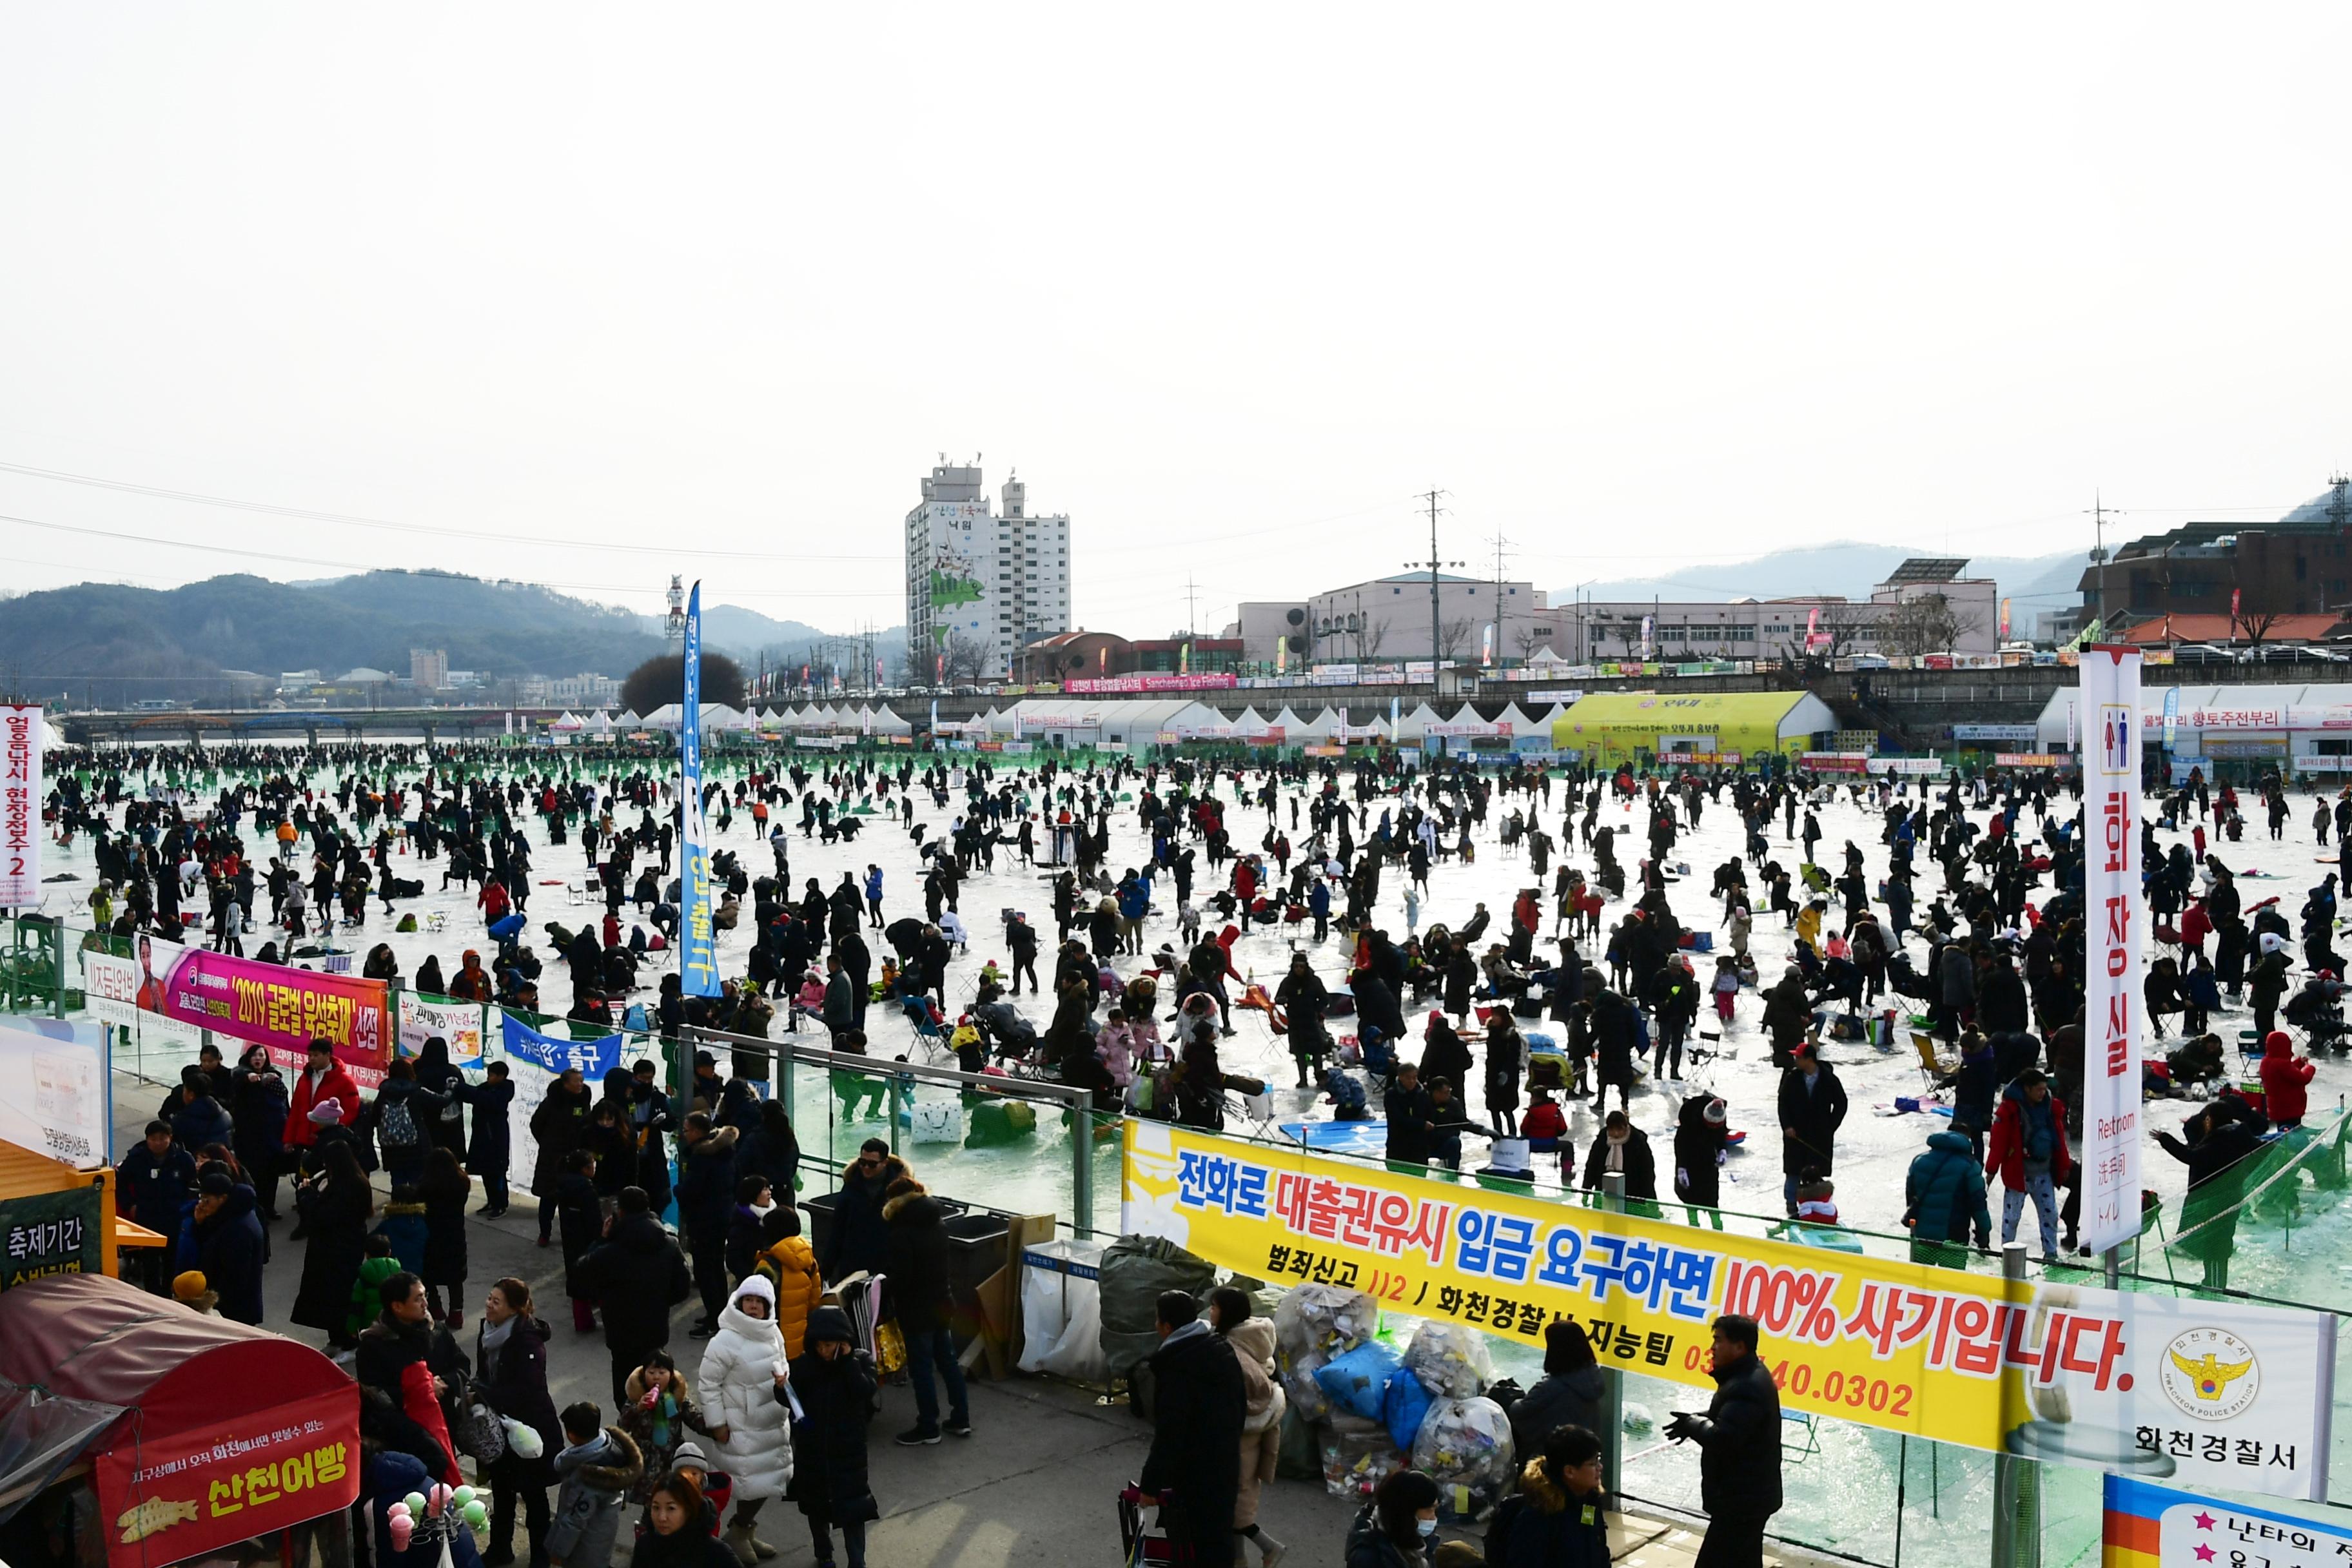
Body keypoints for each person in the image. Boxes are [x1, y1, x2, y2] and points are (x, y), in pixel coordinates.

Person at [1663, 1315, 1782, 1568]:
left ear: (1739, 1346)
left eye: (1718, 1340)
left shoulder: (1746, 1386)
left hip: (1741, 1502)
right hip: (1749, 1497)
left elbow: (1723, 1438)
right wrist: (1695, 1420)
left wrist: (1692, 1424)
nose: (1712, 1348)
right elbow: (1731, 1420)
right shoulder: (1748, 1376)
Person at [1137, 1289, 1245, 1568]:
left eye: (1157, 1320)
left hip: (1195, 1477)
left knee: (1192, 1548)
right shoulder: (1220, 1349)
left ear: (1168, 1327)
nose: (1155, 1326)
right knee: (1217, 1543)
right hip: (1225, 1467)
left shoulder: (1177, 1367)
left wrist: (1150, 1485)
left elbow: (1171, 1435)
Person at [696, 1275, 794, 1563]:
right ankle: (737, 1533)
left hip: (772, 1420)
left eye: (758, 1302)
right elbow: (708, 1384)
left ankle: (743, 1531)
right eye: (748, 1301)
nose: (753, 1307)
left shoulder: (774, 1333)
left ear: (768, 1307)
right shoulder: (726, 1339)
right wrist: (717, 1425)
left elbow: (784, 1364)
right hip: (742, 1426)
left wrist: (783, 1382)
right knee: (750, 1483)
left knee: (768, 1481)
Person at [576, 1186, 694, 1406]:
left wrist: (601, 1240)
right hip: (656, 1327)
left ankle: (630, 1427)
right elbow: (682, 1287)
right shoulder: (669, 1244)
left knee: (626, 1386)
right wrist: (660, 1301)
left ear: (620, 1212)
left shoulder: (610, 1250)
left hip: (620, 1329)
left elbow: (580, 1276)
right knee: (657, 1378)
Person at [475, 1277, 563, 1568]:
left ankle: (540, 1553)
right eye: (489, 1298)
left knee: (533, 1493)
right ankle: (501, 1548)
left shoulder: (527, 1341)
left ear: (514, 1309)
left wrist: (484, 1392)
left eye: (496, 1301)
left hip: (529, 1429)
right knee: (502, 1490)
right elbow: (484, 1373)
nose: (489, 1304)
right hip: (499, 1426)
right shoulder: (487, 1331)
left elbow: (527, 1390)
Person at [879, 1175, 972, 1445]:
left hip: (917, 1309)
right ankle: (960, 1418)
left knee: (921, 1369)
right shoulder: (938, 1223)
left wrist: (884, 1287)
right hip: (943, 1301)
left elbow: (904, 1275)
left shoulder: (901, 1232)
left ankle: (928, 1426)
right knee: (948, 1361)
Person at [786, 1305, 879, 1568]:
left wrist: (848, 1362)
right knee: (817, 1508)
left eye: (829, 1345)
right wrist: (781, 1387)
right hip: (813, 1450)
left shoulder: (860, 1362)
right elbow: (789, 1399)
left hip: (848, 1451)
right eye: (819, 1345)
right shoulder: (805, 1365)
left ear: (843, 1342)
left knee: (854, 1510)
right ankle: (823, 1552)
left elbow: (865, 1391)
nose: (824, 1351)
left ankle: (857, 1560)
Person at [356, 1271, 463, 1485]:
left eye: (425, 1296)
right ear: (397, 1306)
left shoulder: (436, 1330)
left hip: (443, 1427)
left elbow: (462, 1366)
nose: (425, 1303)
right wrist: (420, 1391)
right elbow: (373, 1395)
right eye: (418, 1299)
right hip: (406, 1441)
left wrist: (445, 1383)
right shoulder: (374, 1345)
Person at [1208, 1286, 1287, 1568]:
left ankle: (1269, 1548)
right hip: (1250, 1439)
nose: (1210, 1312)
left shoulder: (1233, 1352)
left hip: (1241, 1439)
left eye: (1215, 1307)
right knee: (1235, 1506)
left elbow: (1254, 1394)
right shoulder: (1253, 1340)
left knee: (1233, 1505)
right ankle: (1244, 1558)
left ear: (1227, 1313)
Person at [290, 1140, 374, 1343]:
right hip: (344, 1246)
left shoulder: (345, 1187)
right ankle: (339, 1339)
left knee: (335, 1297)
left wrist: (306, 1195)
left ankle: (346, 1341)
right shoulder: (355, 1181)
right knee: (337, 1296)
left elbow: (323, 1216)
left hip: (335, 1249)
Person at [1984, 1070, 2072, 1259]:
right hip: (2019, 1175)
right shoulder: (2010, 1111)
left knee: (2050, 1215)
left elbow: (2059, 1139)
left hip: (2044, 1172)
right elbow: (1998, 1143)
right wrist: (1991, 1170)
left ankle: (2050, 1253)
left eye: (2044, 1089)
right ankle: (2008, 1253)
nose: (2043, 1093)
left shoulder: (2050, 1108)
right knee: (2012, 1217)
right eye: (2039, 1090)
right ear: (2027, 1089)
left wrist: (2064, 1165)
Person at [1496, 1424, 1611, 1568]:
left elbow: (1600, 1552)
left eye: (1598, 1460)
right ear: (1569, 1472)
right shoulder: (1537, 1517)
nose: (1600, 1468)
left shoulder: (1588, 1500)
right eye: (1593, 1464)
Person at [547, 1403, 644, 1568]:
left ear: (572, 1435)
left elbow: (575, 1520)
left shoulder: (588, 1478)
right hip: (603, 1533)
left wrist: (558, 1552)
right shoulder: (611, 1448)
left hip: (585, 1547)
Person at [674, 1113, 742, 1338]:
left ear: (697, 1132)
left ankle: (715, 1318)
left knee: (706, 1270)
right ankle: (718, 1313)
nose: (683, 1135)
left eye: (686, 1130)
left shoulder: (702, 1158)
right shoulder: (725, 1151)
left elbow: (692, 1190)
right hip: (721, 1216)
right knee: (715, 1268)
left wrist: (679, 1191)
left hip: (705, 1220)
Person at [116, 1121, 196, 1294]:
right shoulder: (137, 1159)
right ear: (147, 1140)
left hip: (174, 1220)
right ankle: (152, 1295)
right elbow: (121, 1184)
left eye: (163, 1138)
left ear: (170, 1138)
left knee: (171, 1263)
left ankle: (167, 1295)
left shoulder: (183, 1159)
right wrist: (130, 1205)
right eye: (153, 1139)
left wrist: (186, 1211)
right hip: (147, 1219)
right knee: (150, 1263)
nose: (158, 1143)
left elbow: (194, 1188)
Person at [621, 1352, 711, 1504]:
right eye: (651, 1373)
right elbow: (623, 1425)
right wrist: (638, 1408)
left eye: (662, 1373)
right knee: (651, 1500)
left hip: (670, 1456)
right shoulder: (636, 1398)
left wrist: (716, 1429)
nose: (656, 1377)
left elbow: (695, 1419)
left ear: (671, 1375)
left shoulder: (677, 1399)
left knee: (672, 1497)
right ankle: (647, 1524)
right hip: (646, 1458)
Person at [1509, 1320, 1604, 1457]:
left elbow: (1519, 1412)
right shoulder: (1595, 1377)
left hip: (1552, 1459)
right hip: (1585, 1456)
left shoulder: (1552, 1386)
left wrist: (1514, 1400)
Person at [1775, 1045, 1847, 1217]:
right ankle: (1791, 1204)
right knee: (1793, 1172)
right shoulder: (1792, 1078)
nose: (1796, 1060)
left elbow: (1841, 1104)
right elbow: (1782, 1104)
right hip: (1796, 1136)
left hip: (1819, 1136)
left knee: (1816, 1172)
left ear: (1809, 1060)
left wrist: (1830, 1127)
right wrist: (1787, 1126)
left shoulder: (1829, 1079)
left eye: (1799, 1057)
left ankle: (1817, 1206)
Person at [1903, 1128, 1992, 1268]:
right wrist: (1984, 1232)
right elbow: (1979, 1204)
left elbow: (1911, 1196)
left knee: (1920, 1283)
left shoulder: (1919, 1161)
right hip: (1954, 1238)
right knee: (1951, 1283)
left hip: (1922, 1236)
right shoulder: (1970, 1166)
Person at [819, 1139, 905, 1282]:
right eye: (862, 1162)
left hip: (886, 1269)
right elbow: (838, 1230)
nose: (866, 1167)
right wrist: (827, 1268)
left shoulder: (898, 1190)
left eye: (872, 1164)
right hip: (853, 1266)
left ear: (885, 1163)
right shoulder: (851, 1186)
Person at [190, 1168, 267, 1324]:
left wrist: (215, 1304)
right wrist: (199, 1224)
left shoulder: (239, 1229)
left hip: (234, 1311)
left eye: (206, 1199)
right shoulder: (229, 1215)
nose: (202, 1204)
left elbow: (235, 1277)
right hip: (231, 1305)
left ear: (223, 1199)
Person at [533, 1066, 596, 1246]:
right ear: (566, 1083)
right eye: (577, 1081)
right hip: (552, 1157)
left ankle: (572, 1232)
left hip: (575, 1156)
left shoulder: (584, 1100)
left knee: (574, 1198)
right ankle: (545, 1233)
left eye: (582, 1081)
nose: (580, 1084)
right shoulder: (552, 1102)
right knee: (548, 1197)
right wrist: (549, 1144)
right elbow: (536, 1124)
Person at [228, 1043, 289, 1221]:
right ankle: (254, 1209)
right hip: (249, 1136)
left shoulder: (274, 1078)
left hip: (272, 1134)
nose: (258, 1059)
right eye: (255, 1055)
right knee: (253, 1173)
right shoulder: (242, 1076)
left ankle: (269, 1207)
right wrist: (250, 1078)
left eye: (261, 1055)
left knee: (271, 1174)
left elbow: (284, 1103)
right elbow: (238, 1077)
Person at [634, 1473, 740, 1568]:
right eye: (656, 1507)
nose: (662, 1517)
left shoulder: (717, 1552)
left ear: (689, 1510)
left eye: (671, 1508)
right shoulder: (645, 1544)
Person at [1344, 1468, 1441, 1568]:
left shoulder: (1415, 1538)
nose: (1434, 1517)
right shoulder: (1370, 1559)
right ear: (1407, 1513)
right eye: (1429, 1510)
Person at [420, 1146, 473, 1327]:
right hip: (455, 1233)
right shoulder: (462, 1183)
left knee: (428, 1273)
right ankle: (456, 1313)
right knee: (455, 1278)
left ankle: (435, 1306)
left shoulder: (425, 1186)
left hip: (432, 1235)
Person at [457, 1060, 517, 1216]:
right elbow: (474, 1096)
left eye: (492, 1075)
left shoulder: (505, 1089)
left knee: (497, 1171)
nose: (489, 1078)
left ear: (501, 1076)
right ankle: (491, 1201)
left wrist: (464, 1088)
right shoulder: (486, 1088)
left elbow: (489, 1100)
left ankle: (501, 1204)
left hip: (496, 1137)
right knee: (486, 1171)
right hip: (483, 1136)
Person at [1580, 1109, 1657, 1201]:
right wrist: (1586, 1190)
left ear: (1626, 1127)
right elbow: (1592, 1165)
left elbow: (1647, 1172)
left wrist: (1650, 1199)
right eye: (1612, 1130)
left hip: (1632, 1194)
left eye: (1619, 1129)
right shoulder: (1602, 1141)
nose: (1616, 1133)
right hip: (1604, 1191)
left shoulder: (1637, 1142)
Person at [2260, 1028, 2316, 1130]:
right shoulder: (2282, 1064)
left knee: (2282, 1133)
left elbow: (2285, 1073)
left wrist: (2298, 1063)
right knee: (2293, 1135)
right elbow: (2302, 1078)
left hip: (2277, 1109)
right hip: (2290, 1109)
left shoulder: (2266, 1062)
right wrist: (2309, 1068)